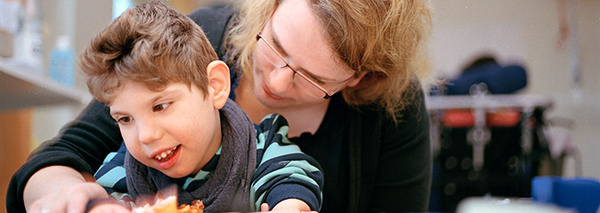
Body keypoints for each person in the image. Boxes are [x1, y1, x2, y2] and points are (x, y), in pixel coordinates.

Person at [7, 0, 433, 212]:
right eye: (276, 46)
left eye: (314, 78)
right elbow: (59, 159)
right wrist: (76, 198)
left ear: (359, 79)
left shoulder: (390, 111)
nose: (278, 83)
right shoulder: (187, 47)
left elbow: (288, 174)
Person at [79, 2, 322, 212]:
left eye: (160, 106)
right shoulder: (121, 172)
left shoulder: (264, 147)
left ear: (215, 86)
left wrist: (288, 205)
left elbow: (291, 176)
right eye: (125, 119)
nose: (146, 135)